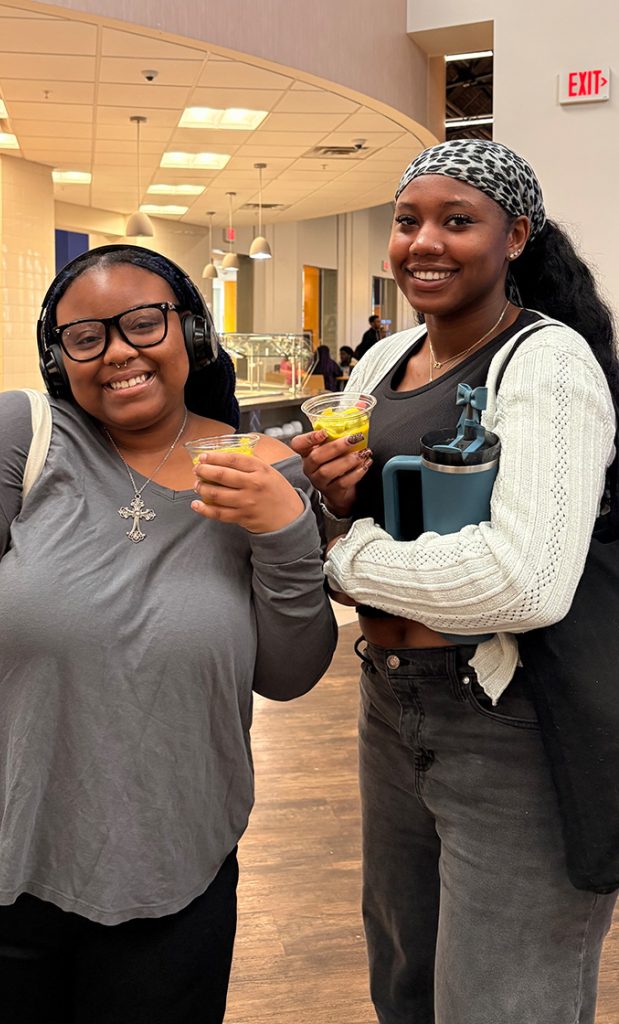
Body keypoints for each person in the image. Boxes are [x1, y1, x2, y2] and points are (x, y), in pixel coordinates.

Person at [0, 244, 337, 1023]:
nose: (119, 351)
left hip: (176, 867)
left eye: (142, 323)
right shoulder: (13, 440)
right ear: (59, 359)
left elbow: (289, 673)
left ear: (191, 334)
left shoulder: (259, 472)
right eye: (86, 337)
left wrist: (286, 531)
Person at [292, 139, 619, 1023]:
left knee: (504, 1000)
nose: (422, 242)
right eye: (406, 221)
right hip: (388, 704)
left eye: (456, 221)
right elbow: (352, 502)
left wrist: (339, 559)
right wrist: (330, 492)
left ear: (515, 236)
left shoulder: (545, 363)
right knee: (402, 982)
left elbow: (524, 582)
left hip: (509, 718)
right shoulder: (384, 361)